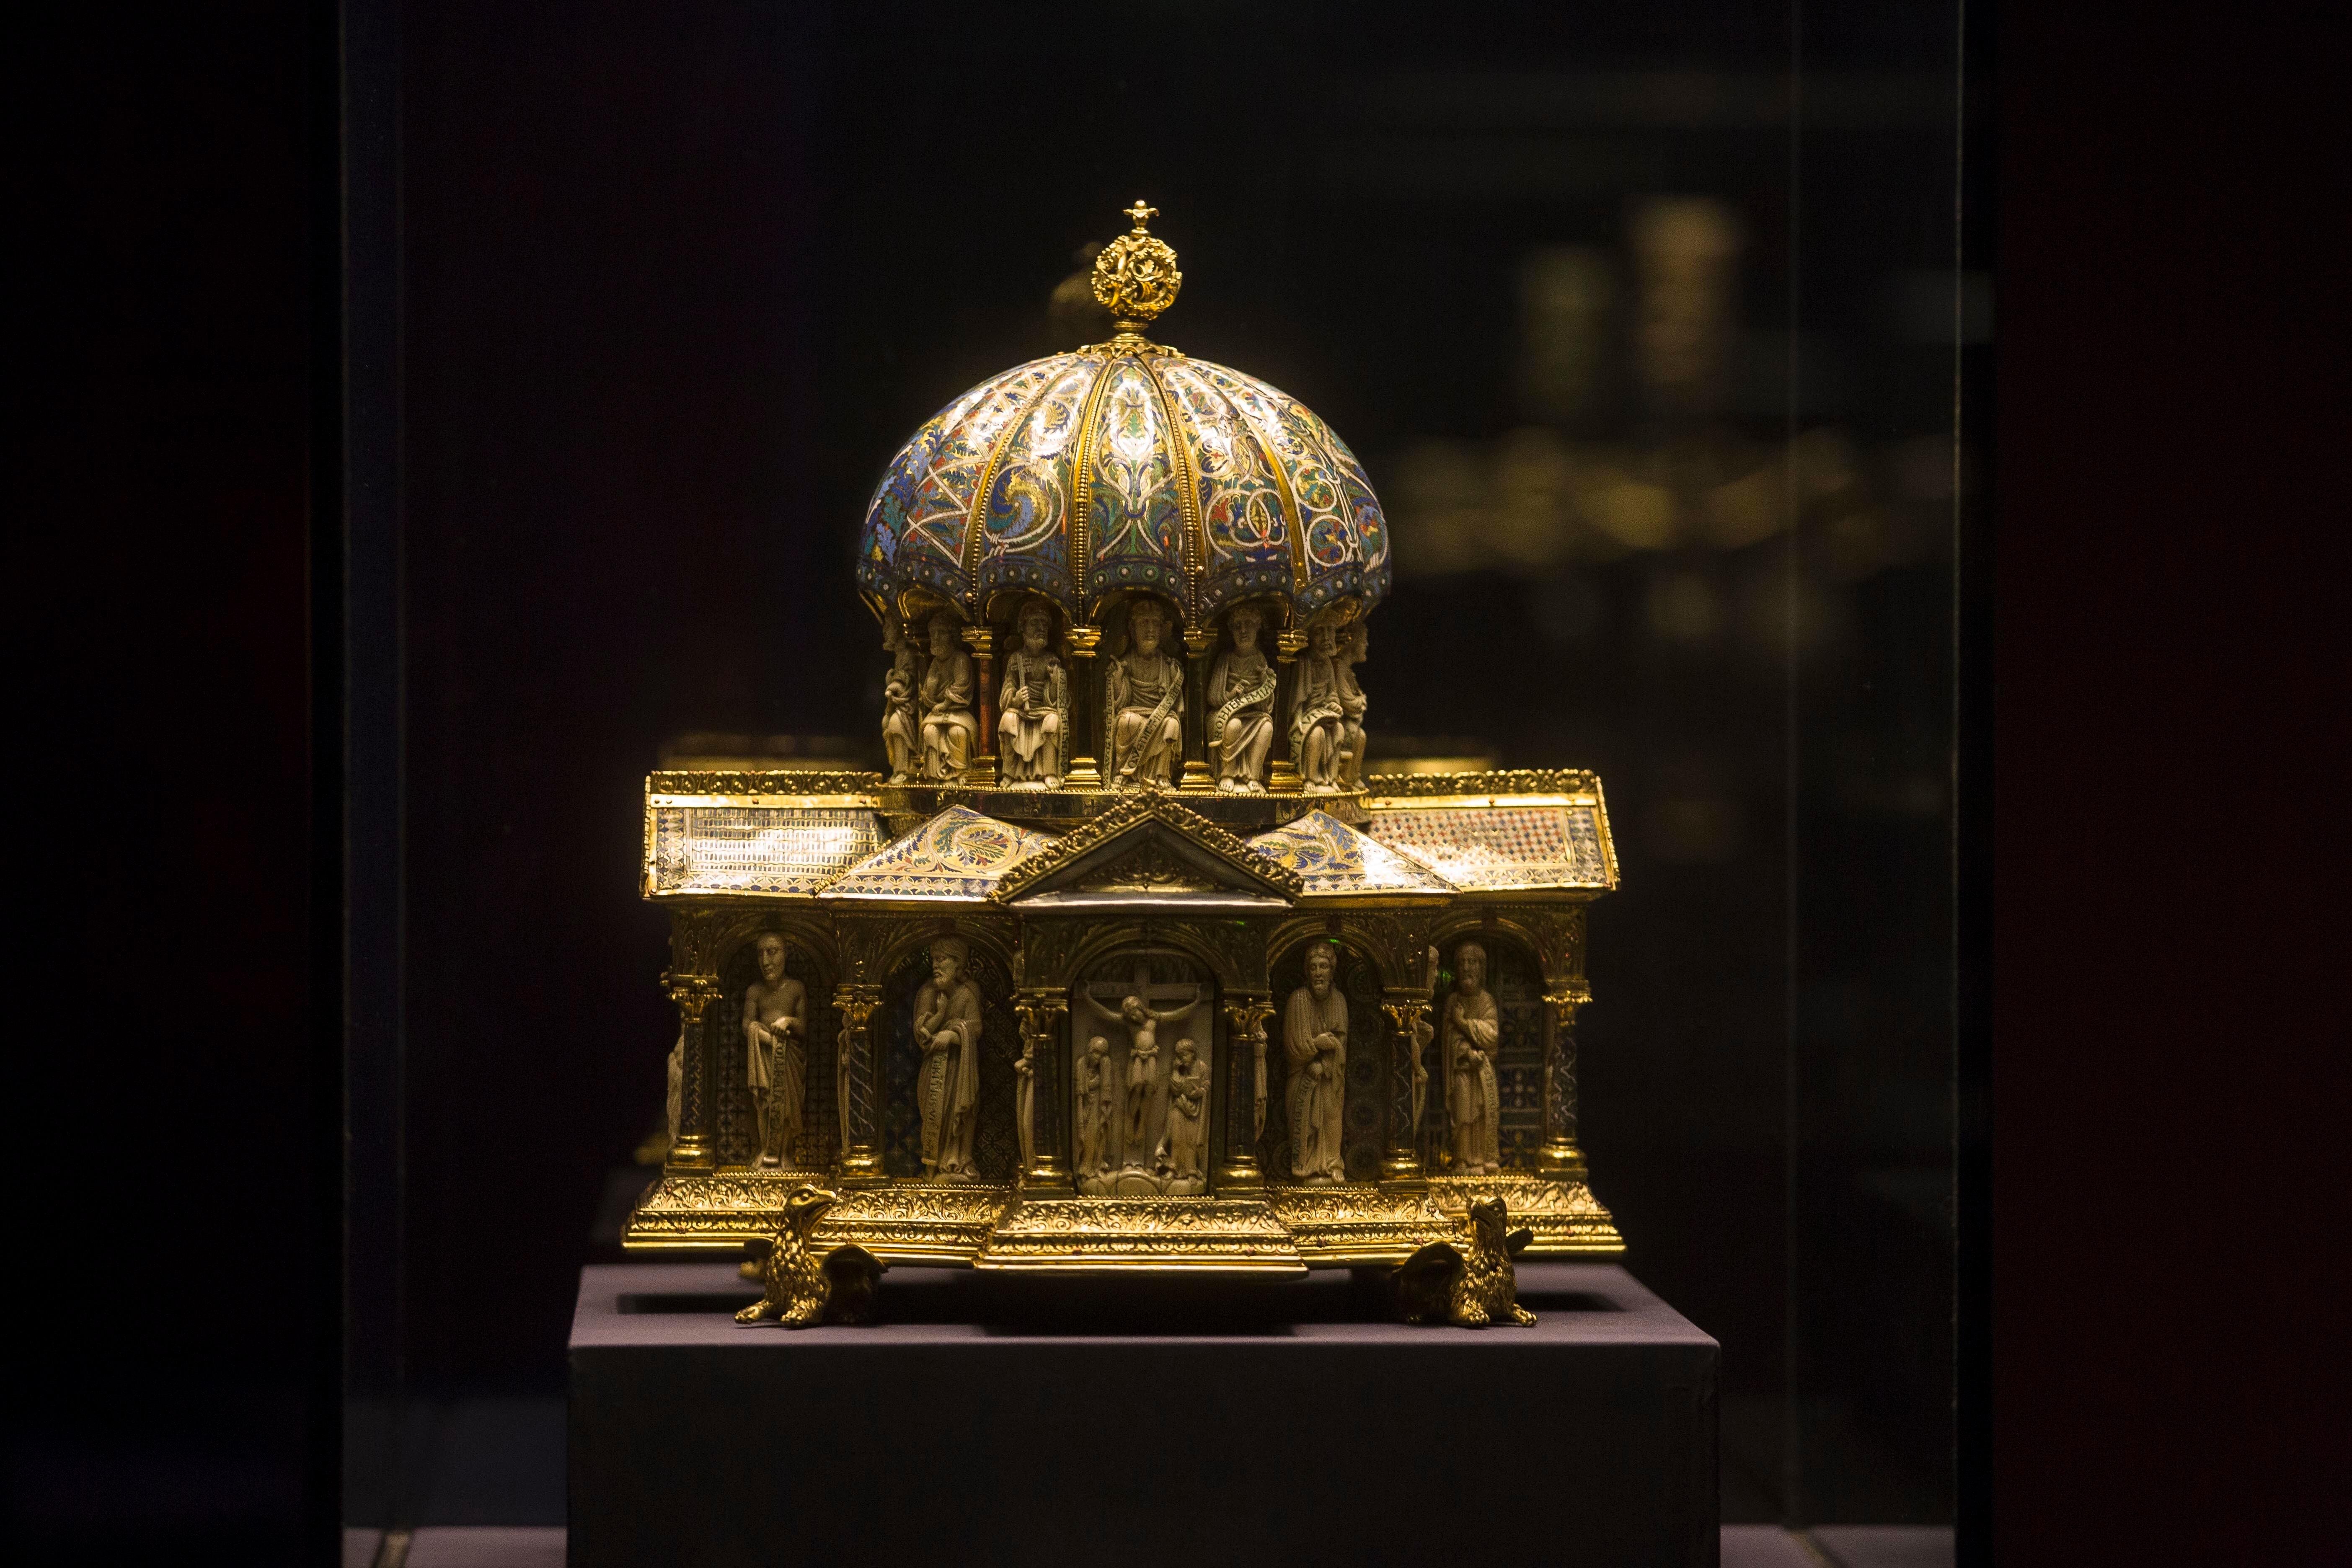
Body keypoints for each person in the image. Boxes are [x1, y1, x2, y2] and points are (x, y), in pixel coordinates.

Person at [912, 938, 984, 1179]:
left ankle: (959, 1161)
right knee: (935, 1112)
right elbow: (921, 1033)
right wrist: (941, 1014)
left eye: (942, 960)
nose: (936, 965)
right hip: (933, 1067)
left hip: (960, 1066)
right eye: (933, 960)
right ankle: (932, 1165)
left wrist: (953, 1035)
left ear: (958, 964)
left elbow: (976, 1028)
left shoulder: (969, 992)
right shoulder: (928, 992)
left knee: (959, 1111)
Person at [1283, 945, 1349, 1181]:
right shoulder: (1297, 1000)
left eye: (1323, 967)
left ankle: (1332, 1163)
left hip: (1329, 1077)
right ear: (1307, 973)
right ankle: (1305, 1166)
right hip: (1301, 1075)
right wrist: (1316, 1044)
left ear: (1332, 971)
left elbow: (1342, 1043)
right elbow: (1292, 1047)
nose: (1318, 973)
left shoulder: (1339, 1001)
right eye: (1313, 968)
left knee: (1332, 1116)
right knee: (1304, 1124)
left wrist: (1325, 1066)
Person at [742, 934, 806, 1168]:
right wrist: (766, 1038)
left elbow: (804, 1025)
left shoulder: (796, 988)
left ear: (785, 953)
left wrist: (788, 1021)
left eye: (772, 952)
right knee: (764, 1101)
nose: (765, 961)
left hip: (789, 1057)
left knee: (789, 1104)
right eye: (760, 954)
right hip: (763, 1055)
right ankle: (765, 1149)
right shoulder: (755, 991)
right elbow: (747, 1024)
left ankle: (785, 1153)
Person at [1106, 599, 1184, 785]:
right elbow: (1121, 701)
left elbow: (1176, 706)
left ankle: (1161, 775)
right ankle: (1124, 771)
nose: (1150, 630)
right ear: (1133, 630)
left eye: (1155, 624)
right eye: (1144, 623)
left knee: (1172, 724)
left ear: (1162, 630)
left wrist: (1175, 679)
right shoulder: (1127, 662)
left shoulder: (1168, 664)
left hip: (1161, 716)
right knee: (1127, 721)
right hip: (1134, 713)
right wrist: (1117, 679)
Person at [1444, 941, 1501, 1174]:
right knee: (1462, 1114)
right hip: (1461, 1070)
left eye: (1473, 963)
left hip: (1482, 1072)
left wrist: (1463, 1023)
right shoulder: (1453, 1002)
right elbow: (1448, 1039)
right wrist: (1466, 1052)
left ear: (1481, 969)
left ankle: (1483, 1159)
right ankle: (1462, 1159)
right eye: (1463, 963)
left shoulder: (1486, 1001)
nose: (1468, 968)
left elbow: (1492, 1035)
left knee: (1482, 1114)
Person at [1208, 603, 1277, 792]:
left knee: (1267, 726)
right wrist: (1230, 695)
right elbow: (1213, 697)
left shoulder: (1260, 659)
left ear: (1257, 627)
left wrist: (1265, 684)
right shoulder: (1226, 658)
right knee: (1234, 726)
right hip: (1226, 714)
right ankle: (1228, 774)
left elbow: (1265, 706)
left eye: (1248, 625)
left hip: (1253, 715)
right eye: (1238, 626)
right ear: (1231, 631)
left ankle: (1253, 776)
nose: (1243, 631)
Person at [998, 601, 1067, 786]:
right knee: (1008, 719)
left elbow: (1059, 701)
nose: (1041, 628)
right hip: (1022, 711)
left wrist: (1054, 681)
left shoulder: (1050, 659)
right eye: (1035, 623)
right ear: (1023, 628)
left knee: (1053, 721)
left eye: (1044, 624)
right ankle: (1010, 773)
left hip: (1043, 710)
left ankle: (1049, 772)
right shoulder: (1016, 659)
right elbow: (1008, 688)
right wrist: (1016, 699)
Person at [918, 612, 977, 781]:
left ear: (952, 636)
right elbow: (928, 696)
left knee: (957, 732)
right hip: (937, 712)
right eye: (933, 634)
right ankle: (935, 774)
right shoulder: (935, 662)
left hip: (959, 712)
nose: (935, 638)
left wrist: (945, 703)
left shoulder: (960, 659)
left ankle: (959, 772)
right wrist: (932, 685)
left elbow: (962, 685)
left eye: (941, 633)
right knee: (930, 732)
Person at [1155, 1038, 1210, 1181]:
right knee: (1177, 1138)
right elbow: (1175, 1089)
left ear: (1193, 1054)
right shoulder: (1180, 1069)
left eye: (1185, 1055)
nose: (1183, 1059)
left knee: (1191, 1140)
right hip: (1180, 1105)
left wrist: (1200, 1092)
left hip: (1195, 1109)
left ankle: (1191, 1170)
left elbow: (1206, 1085)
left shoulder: (1202, 1067)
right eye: (1180, 1056)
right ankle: (1173, 1168)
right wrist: (1175, 1070)